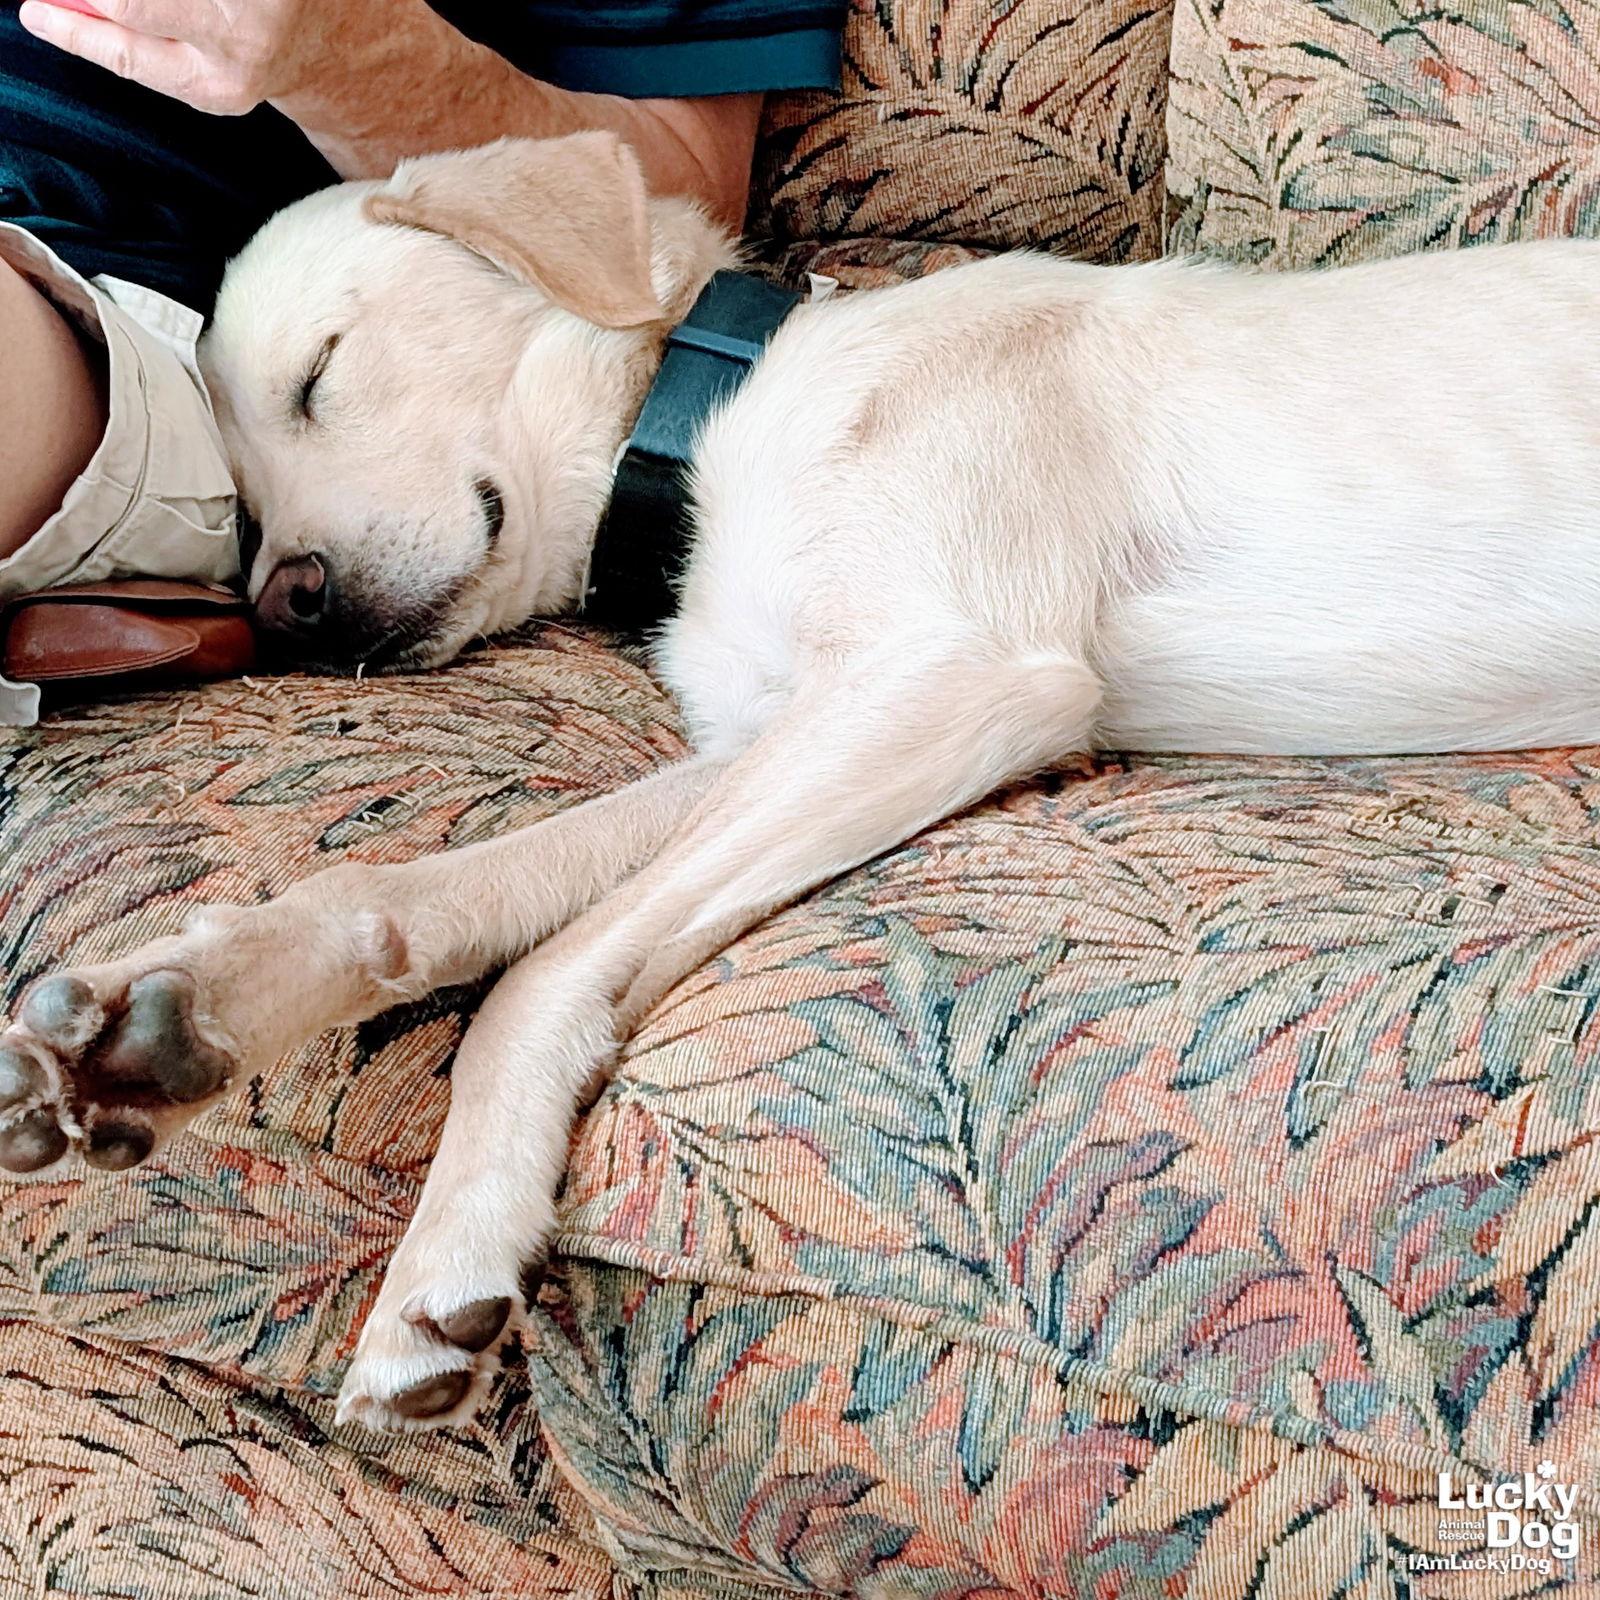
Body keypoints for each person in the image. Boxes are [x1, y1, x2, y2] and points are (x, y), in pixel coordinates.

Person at [0, 0, 844, 722]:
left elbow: (674, 196)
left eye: (320, 385)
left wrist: (346, 54)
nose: (282, 580)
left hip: (101, 325)